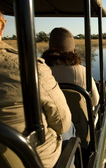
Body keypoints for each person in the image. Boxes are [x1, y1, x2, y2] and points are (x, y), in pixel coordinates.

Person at [0, 12, 72, 168]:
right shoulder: (30, 68)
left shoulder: (39, 66)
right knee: (69, 129)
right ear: (1, 26)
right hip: (34, 160)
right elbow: (62, 124)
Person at [42, 27, 100, 107]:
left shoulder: (40, 71)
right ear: (73, 51)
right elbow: (95, 101)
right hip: (80, 119)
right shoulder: (83, 71)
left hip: (49, 118)